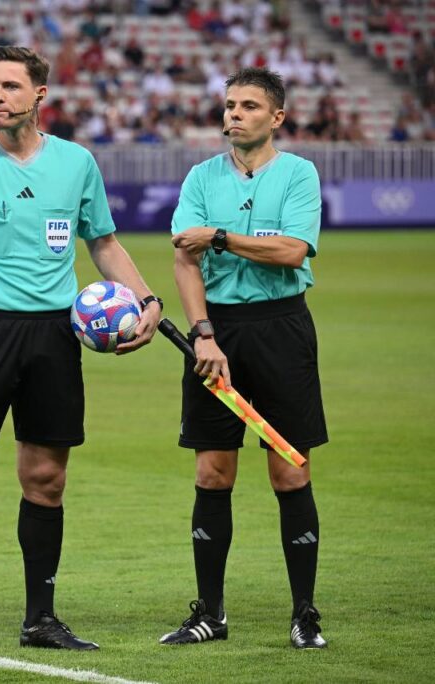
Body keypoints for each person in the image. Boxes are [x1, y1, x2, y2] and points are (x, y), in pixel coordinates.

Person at [0, 46, 162, 658]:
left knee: (46, 481)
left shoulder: (76, 165)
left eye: (10, 86)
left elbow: (103, 243)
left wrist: (146, 299)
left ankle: (40, 619)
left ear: (39, 95)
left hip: (55, 336)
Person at [165, 67, 328, 649]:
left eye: (249, 106)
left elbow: (292, 250)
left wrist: (223, 238)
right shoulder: (201, 177)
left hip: (281, 329)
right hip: (218, 333)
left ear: (276, 117)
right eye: (229, 104)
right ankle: (210, 612)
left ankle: (304, 613)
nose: (234, 114)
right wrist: (202, 334)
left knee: (290, 468)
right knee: (213, 472)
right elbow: (184, 258)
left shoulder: (300, 174)